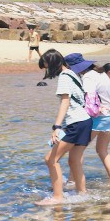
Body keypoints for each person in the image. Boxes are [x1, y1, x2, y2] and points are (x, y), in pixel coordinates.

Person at [37, 49, 93, 205]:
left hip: (75, 122)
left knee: (50, 159)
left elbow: (65, 102)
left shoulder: (63, 77)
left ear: (53, 64)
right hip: (86, 122)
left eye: (47, 66)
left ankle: (57, 197)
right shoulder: (73, 73)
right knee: (74, 160)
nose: (47, 70)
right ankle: (82, 195)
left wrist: (57, 126)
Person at [64, 53, 110, 181]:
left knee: (77, 150)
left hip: (101, 117)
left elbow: (89, 100)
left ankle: (73, 181)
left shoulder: (88, 78)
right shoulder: (100, 73)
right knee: (102, 150)